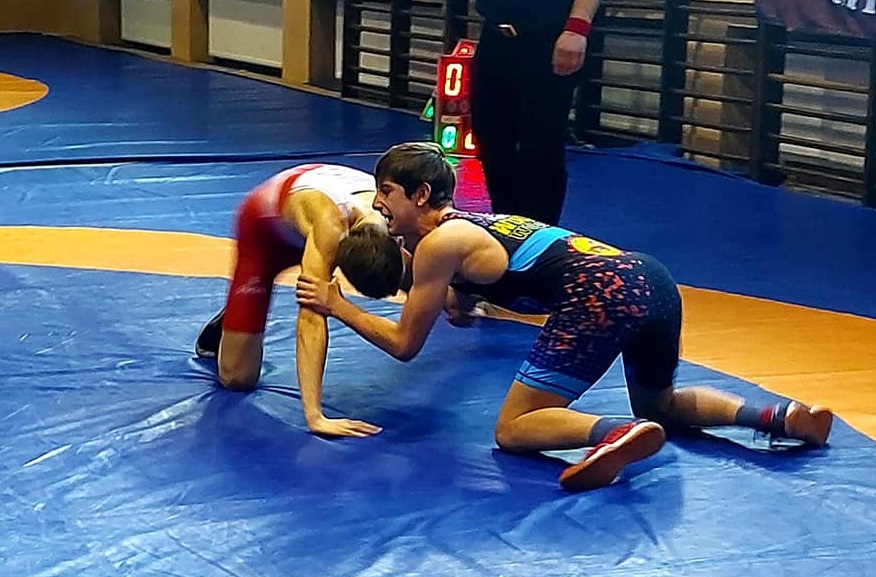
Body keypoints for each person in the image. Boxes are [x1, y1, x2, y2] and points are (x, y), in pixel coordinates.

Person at [295, 142, 834, 492]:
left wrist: (336, 304)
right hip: (651, 278)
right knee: (662, 402)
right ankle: (782, 418)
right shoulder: (468, 228)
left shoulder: (440, 244)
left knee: (512, 428)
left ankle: (617, 432)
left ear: (419, 195)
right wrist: (457, 298)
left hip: (602, 293)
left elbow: (405, 344)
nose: (377, 203)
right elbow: (468, 294)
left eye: (385, 192)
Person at [194, 163, 406, 438]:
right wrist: (315, 416)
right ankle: (230, 319)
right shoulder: (330, 230)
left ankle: (240, 314)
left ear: (399, 243)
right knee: (237, 378)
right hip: (265, 233)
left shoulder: (401, 218)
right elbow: (311, 316)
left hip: (321, 200)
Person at [471, 0, 600, 226]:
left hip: (549, 37)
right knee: (490, 138)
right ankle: (506, 227)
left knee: (540, 147)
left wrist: (577, 28)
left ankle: (539, 233)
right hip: (495, 33)